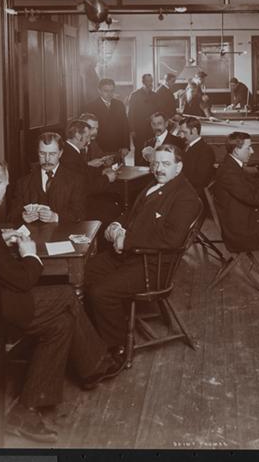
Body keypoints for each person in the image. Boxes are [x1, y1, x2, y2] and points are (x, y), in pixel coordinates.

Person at [0, 157, 123, 443]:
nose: (4, 193)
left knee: (60, 324)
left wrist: (0, 238)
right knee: (66, 294)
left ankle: (30, 407)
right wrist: (30, 253)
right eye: (5, 188)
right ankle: (95, 365)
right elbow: (22, 280)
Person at [84, 144, 203, 357]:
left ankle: (117, 347)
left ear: (179, 167)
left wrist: (126, 240)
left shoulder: (186, 197)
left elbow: (171, 239)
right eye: (155, 163)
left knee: (100, 293)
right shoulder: (153, 184)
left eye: (166, 164)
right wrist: (116, 226)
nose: (159, 169)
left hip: (153, 266)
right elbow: (131, 214)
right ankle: (93, 335)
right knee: (83, 272)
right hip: (131, 255)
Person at [7, 132, 85, 225]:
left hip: (63, 232)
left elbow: (80, 214)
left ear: (60, 153)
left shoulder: (75, 180)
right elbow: (11, 216)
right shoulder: (23, 183)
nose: (47, 159)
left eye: (52, 154)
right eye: (42, 153)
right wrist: (22, 216)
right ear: (37, 152)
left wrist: (56, 217)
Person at [61, 120, 122, 231]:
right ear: (78, 136)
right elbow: (86, 187)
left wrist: (100, 172)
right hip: (75, 205)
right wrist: (107, 178)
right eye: (87, 137)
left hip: (77, 198)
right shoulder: (70, 156)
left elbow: (82, 172)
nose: (89, 141)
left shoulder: (69, 151)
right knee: (114, 208)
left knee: (112, 200)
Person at [81, 78, 130, 158]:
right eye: (106, 91)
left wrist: (125, 146)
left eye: (112, 91)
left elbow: (125, 126)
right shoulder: (90, 107)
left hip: (117, 148)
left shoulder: (119, 105)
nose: (109, 94)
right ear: (99, 91)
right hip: (98, 148)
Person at [178, 116, 216, 199]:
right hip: (185, 189)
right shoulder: (187, 146)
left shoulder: (205, 150)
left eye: (184, 132)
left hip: (194, 195)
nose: (181, 136)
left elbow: (201, 180)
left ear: (194, 130)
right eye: (181, 132)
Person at [129, 73, 160, 165]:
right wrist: (132, 129)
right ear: (143, 82)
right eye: (148, 81)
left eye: (151, 81)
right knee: (139, 151)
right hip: (139, 129)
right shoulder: (135, 95)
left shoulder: (155, 96)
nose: (150, 83)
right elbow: (130, 114)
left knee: (152, 150)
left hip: (152, 129)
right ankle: (138, 171)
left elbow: (158, 112)